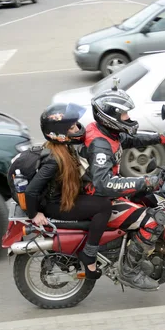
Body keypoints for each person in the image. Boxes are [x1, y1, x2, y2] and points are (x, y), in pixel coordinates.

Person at [79, 84, 165, 291]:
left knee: (149, 199)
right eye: (124, 114)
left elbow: (130, 138)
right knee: (153, 222)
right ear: (111, 116)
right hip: (98, 198)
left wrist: (162, 139)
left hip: (103, 193)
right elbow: (104, 184)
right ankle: (130, 271)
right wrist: (144, 181)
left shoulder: (107, 132)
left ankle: (130, 247)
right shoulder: (100, 146)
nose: (127, 117)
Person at [23, 102, 112, 280]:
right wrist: (34, 214)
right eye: (72, 127)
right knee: (104, 207)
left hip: (64, 197)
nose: (77, 128)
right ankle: (89, 255)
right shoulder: (54, 160)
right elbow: (32, 191)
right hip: (56, 205)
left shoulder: (64, 148)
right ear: (60, 132)